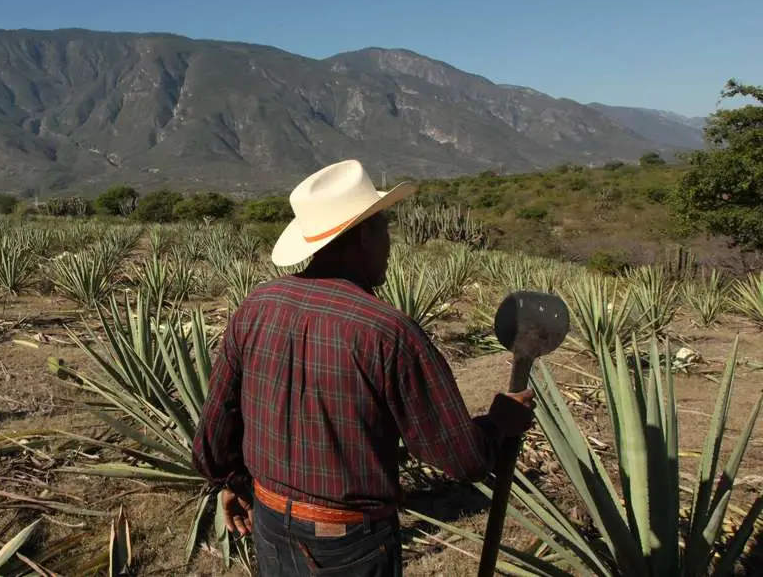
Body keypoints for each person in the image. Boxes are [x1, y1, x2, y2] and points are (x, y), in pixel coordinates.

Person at [191, 159, 536, 576]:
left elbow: (217, 424)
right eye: (385, 230)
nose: (390, 244)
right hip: (347, 545)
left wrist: (230, 481)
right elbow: (461, 460)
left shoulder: (256, 307)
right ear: (362, 237)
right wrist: (499, 423)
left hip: (267, 521)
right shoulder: (388, 332)